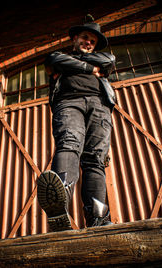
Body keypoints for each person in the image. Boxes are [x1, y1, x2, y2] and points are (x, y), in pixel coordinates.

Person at [37, 16, 116, 231]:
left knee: (95, 160)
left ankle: (98, 217)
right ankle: (58, 205)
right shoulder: (61, 57)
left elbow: (109, 61)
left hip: (100, 106)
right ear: (75, 39)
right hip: (69, 103)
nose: (88, 43)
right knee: (69, 144)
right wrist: (90, 69)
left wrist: (78, 67)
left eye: (92, 41)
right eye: (84, 38)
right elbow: (54, 59)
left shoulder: (103, 58)